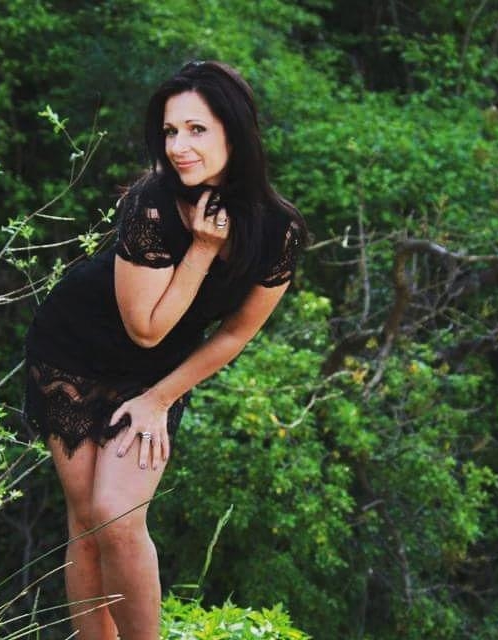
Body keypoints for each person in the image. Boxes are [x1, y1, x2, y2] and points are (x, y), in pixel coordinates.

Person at [23, 60, 307, 640]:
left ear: (235, 132)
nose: (179, 146)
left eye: (197, 129)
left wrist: (159, 399)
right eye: (171, 131)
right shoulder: (150, 202)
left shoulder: (278, 231)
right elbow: (146, 328)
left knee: (117, 515)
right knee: (87, 522)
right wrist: (201, 248)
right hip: (72, 352)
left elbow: (235, 333)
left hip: (156, 374)